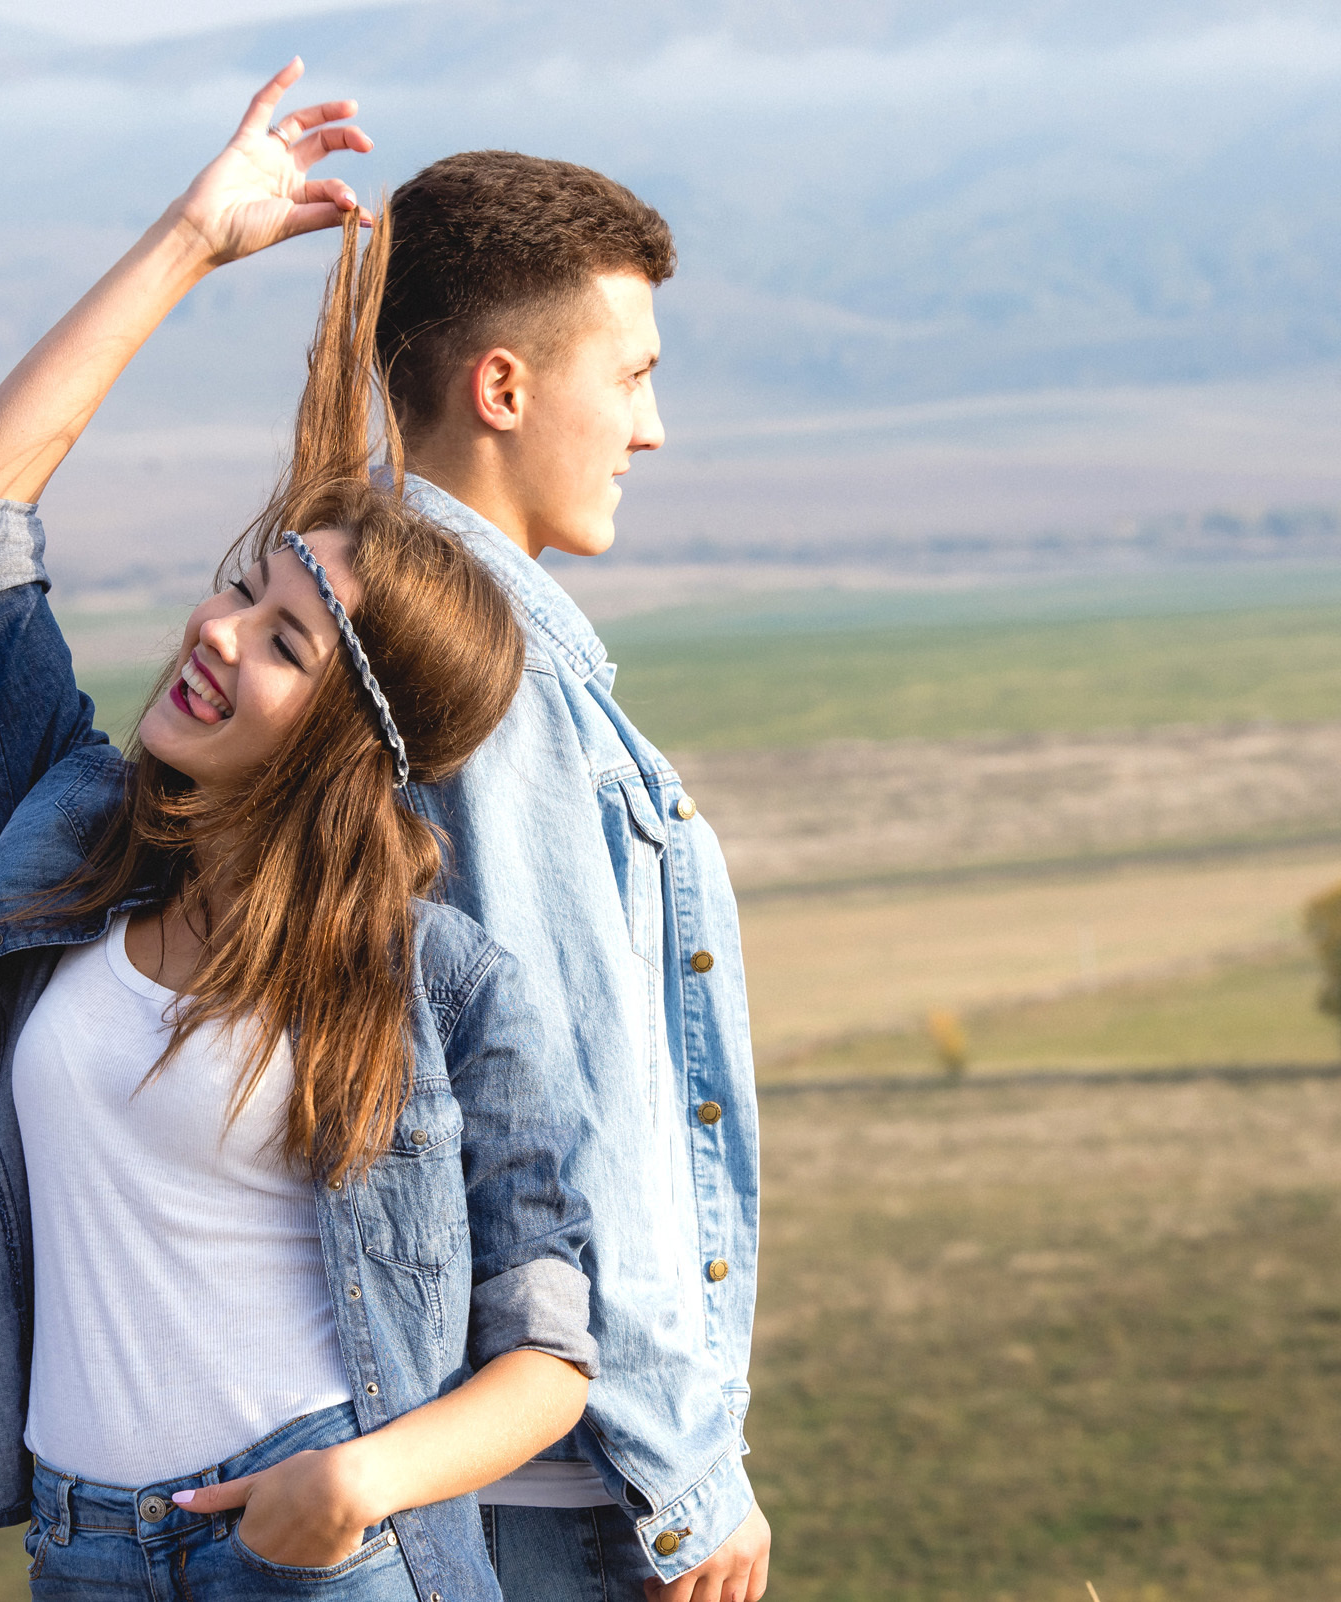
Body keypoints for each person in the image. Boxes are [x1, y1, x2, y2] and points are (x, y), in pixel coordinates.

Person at [0, 63, 596, 1602]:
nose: (218, 634)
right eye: (247, 585)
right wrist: (193, 239)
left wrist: (358, 1481)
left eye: (287, 643)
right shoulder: (79, 837)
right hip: (83, 1550)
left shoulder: (447, 986)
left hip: (315, 1559)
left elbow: (550, 1342)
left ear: (357, 744)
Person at [378, 156, 772, 1602]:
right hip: (557, 1483)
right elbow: (579, 1088)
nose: (652, 428)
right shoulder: (502, 672)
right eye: (632, 374)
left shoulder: (342, 606)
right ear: (502, 389)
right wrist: (686, 1477)